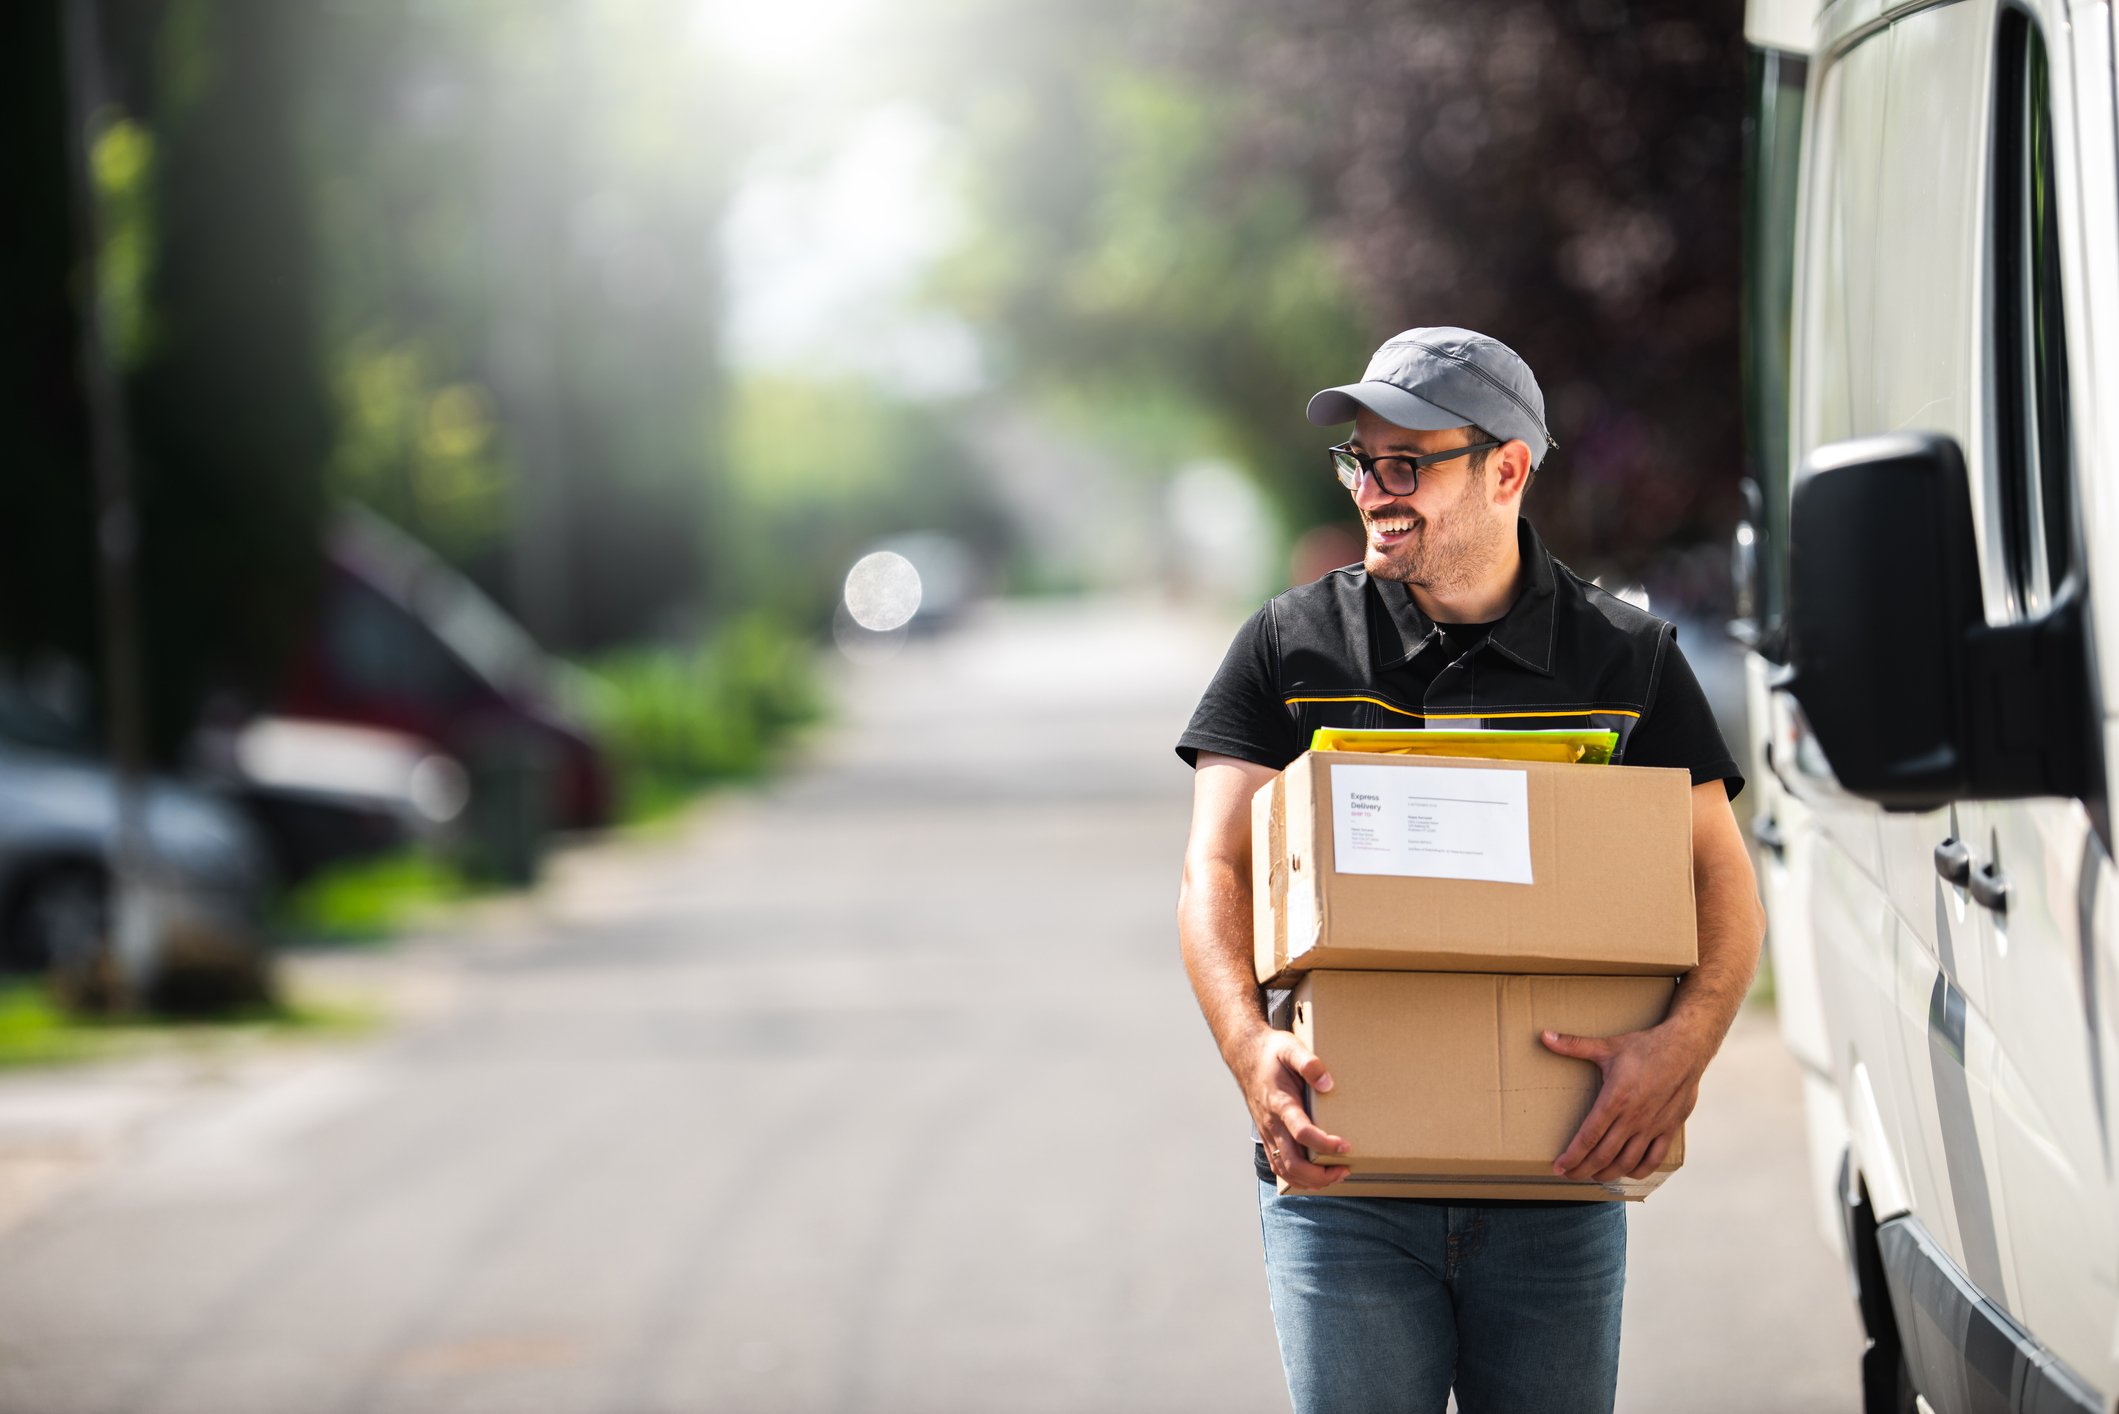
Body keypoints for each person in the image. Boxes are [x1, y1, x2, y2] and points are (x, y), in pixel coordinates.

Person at [1173, 326, 1765, 1414]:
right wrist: (1248, 1047)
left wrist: (1680, 1048)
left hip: (1557, 1188)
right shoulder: (1288, 647)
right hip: (1340, 1185)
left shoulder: (1625, 660)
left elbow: (1720, 882)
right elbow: (1214, 869)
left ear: (1505, 469)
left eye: (1409, 463)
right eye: (1362, 462)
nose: (1376, 490)